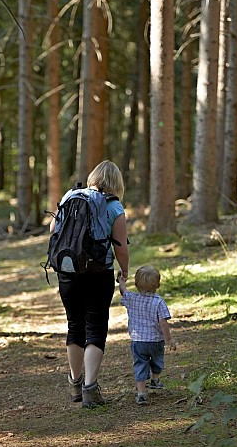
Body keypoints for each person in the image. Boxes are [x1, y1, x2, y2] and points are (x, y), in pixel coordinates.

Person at [50, 160, 129, 408]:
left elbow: (54, 229)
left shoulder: (70, 195)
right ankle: (90, 389)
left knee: (75, 326)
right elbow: (121, 246)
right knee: (95, 328)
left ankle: (75, 382)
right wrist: (124, 270)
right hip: (98, 272)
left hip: (68, 270)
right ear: (117, 183)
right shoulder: (114, 206)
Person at [118, 265, 176, 405]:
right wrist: (169, 339)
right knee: (157, 360)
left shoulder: (132, 298)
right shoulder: (159, 302)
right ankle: (155, 379)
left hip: (138, 341)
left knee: (140, 364)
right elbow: (163, 323)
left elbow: (123, 292)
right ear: (158, 284)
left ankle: (141, 393)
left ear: (137, 284)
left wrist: (121, 282)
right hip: (156, 340)